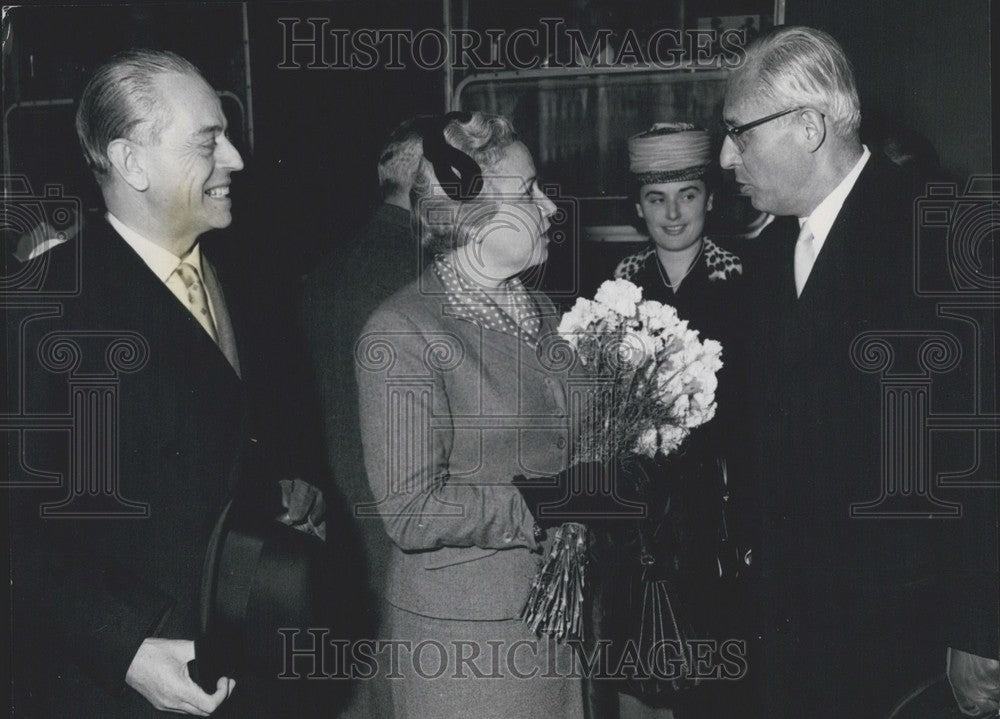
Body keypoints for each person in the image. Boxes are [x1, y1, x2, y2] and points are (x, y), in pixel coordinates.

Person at [7, 49, 324, 717]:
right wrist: (126, 648)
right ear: (131, 162)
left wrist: (287, 491)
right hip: (114, 689)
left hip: (246, 664)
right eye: (210, 141)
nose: (236, 158)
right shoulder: (43, 305)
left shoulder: (245, 280)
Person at [719, 25, 998, 717]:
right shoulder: (769, 255)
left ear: (808, 126)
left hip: (907, 635)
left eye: (738, 132)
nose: (726, 157)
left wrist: (979, 626)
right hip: (798, 632)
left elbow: (979, 444)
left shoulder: (936, 231)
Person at [355, 111, 591, 719]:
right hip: (468, 645)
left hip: (560, 622)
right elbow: (410, 511)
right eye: (528, 192)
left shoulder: (541, 308)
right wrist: (549, 503)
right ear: (469, 210)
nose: (551, 208)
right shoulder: (403, 330)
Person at [591, 124, 747, 719]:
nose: (673, 212)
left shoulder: (746, 280)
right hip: (638, 512)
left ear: (710, 198)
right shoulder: (615, 286)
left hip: (718, 508)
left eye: (687, 194)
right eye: (657, 199)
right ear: (637, 208)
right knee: (636, 666)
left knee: (710, 671)